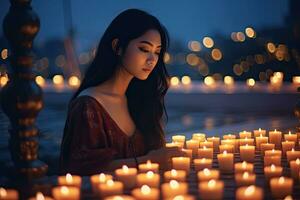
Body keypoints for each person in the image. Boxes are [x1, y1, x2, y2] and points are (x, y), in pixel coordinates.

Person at [59, 8, 184, 175]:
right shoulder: (88, 106)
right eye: (144, 49)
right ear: (117, 47)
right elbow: (82, 169)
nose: (152, 59)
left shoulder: (139, 99)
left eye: (157, 52)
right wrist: (149, 161)